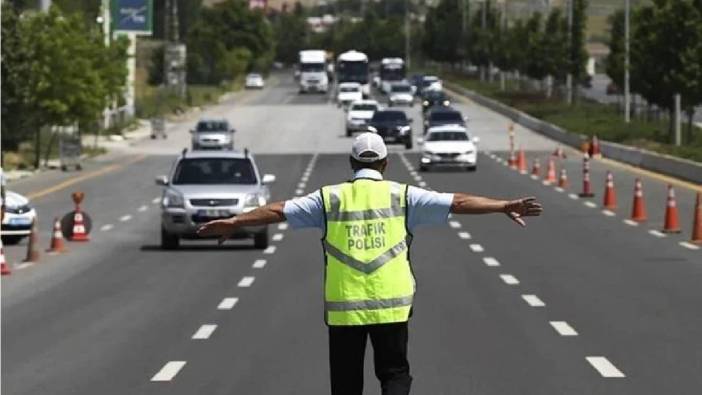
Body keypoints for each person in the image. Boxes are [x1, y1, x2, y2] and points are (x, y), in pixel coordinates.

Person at [197, 133, 543, 395]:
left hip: (345, 308)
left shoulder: (329, 199)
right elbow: (459, 201)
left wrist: (236, 221)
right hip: (391, 305)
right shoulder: (404, 195)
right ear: (385, 163)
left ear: (351, 164)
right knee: (394, 373)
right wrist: (502, 205)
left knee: (346, 382)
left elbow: (277, 210)